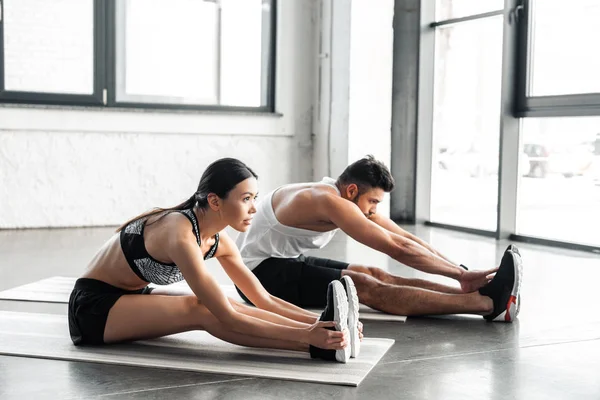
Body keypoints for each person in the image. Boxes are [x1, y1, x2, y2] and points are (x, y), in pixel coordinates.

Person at [68, 158, 359, 363]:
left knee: (228, 301)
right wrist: (307, 335)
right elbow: (226, 318)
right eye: (246, 199)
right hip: (93, 309)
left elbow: (263, 299)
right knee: (203, 309)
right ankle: (316, 347)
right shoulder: (178, 233)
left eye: (255, 198)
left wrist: (324, 322)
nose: (254, 208)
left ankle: (325, 338)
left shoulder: (219, 242)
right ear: (215, 201)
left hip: (131, 297)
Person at [236, 155, 523, 322]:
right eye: (373, 201)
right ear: (351, 191)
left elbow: (405, 237)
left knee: (371, 272)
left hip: (281, 261)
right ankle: (486, 305)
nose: (374, 209)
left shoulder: (338, 193)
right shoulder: (327, 201)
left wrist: (461, 273)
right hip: (257, 277)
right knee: (363, 286)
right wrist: (459, 273)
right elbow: (396, 248)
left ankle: (472, 293)